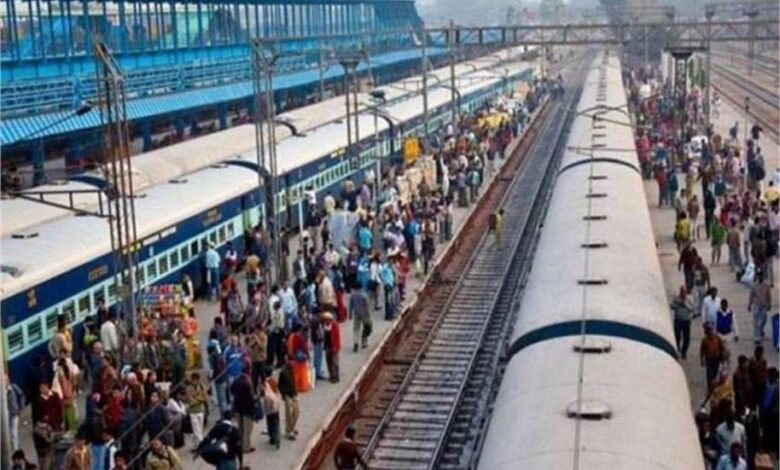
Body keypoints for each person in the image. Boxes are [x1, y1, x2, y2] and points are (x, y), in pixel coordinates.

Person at [230, 372, 256, 455]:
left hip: (238, 407)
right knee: (247, 429)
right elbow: (250, 398)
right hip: (247, 409)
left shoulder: (236, 380)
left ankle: (240, 444)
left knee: (240, 428)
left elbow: (231, 390)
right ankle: (246, 446)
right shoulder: (247, 382)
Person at [701, 323, 729, 392]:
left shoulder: (717, 338)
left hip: (716, 358)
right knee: (709, 374)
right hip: (709, 359)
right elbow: (702, 350)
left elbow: (722, 348)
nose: (710, 332)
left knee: (715, 372)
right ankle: (710, 387)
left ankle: (713, 384)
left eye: (711, 330)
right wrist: (702, 359)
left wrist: (723, 357)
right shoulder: (704, 340)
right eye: (709, 330)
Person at [185, 372, 208, 449]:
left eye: (196, 380)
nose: (195, 381)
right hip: (192, 412)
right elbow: (189, 399)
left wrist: (196, 400)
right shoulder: (188, 388)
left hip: (201, 410)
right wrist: (199, 399)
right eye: (193, 380)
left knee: (199, 429)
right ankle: (203, 443)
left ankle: (194, 445)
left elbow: (205, 398)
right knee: (196, 429)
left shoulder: (202, 386)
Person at [748, 271, 772, 344]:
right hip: (756, 305)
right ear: (757, 276)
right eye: (759, 276)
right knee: (756, 322)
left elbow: (768, 295)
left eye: (761, 276)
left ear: (763, 276)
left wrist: (769, 304)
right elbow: (751, 295)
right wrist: (749, 305)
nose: (760, 277)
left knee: (764, 320)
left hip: (764, 305)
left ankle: (761, 330)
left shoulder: (766, 285)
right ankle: (757, 338)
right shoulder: (754, 285)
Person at [278, 359, 300, 440]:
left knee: (296, 412)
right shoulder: (283, 372)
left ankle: (292, 427)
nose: (292, 363)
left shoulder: (294, 369)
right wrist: (284, 394)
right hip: (288, 395)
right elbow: (280, 385)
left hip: (295, 393)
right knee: (289, 414)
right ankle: (289, 431)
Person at [670, 286, 694, 358]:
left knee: (686, 337)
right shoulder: (676, 298)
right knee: (677, 335)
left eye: (684, 292)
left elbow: (692, 308)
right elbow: (672, 306)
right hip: (678, 320)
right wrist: (677, 305)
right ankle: (677, 348)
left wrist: (685, 304)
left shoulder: (689, 299)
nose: (683, 294)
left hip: (686, 321)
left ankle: (684, 351)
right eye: (681, 292)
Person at [349, 286, 372, 352]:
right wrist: (369, 314)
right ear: (361, 288)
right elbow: (367, 305)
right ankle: (364, 341)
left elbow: (351, 306)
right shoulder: (364, 295)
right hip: (365, 314)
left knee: (356, 329)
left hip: (356, 314)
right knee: (367, 327)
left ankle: (356, 342)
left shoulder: (353, 296)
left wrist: (350, 314)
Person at [7, 373, 26, 452]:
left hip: (14, 412)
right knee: (7, 431)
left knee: (13, 431)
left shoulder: (13, 387)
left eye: (6, 379)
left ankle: (15, 449)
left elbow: (21, 395)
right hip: (4, 415)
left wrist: (21, 407)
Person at [263, 376, 282, 449]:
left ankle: (272, 438)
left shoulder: (267, 388)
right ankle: (277, 437)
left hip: (269, 411)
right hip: (276, 410)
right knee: (276, 424)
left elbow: (266, 398)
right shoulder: (275, 388)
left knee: (270, 424)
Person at [321, 312, 341, 383]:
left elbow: (337, 337)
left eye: (327, 319)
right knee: (328, 361)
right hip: (327, 346)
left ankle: (336, 376)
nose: (326, 321)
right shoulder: (324, 325)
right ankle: (331, 375)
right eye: (325, 320)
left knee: (334, 362)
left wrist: (336, 347)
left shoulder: (334, 325)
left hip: (334, 346)